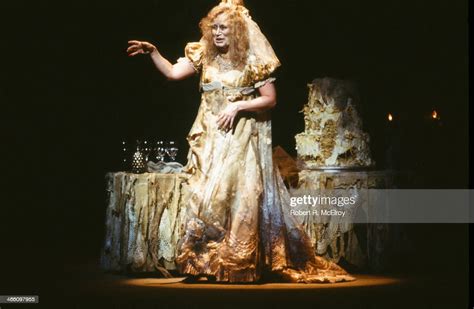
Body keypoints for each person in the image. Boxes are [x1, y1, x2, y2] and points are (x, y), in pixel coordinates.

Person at [127, 0, 355, 283]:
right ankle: (207, 262)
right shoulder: (205, 56)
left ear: (236, 31)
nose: (218, 33)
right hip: (210, 139)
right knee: (208, 198)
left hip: (241, 140)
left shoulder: (251, 60)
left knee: (239, 198)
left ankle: (238, 262)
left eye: (224, 28)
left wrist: (237, 106)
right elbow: (173, 73)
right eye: (214, 28)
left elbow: (270, 99)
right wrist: (154, 53)